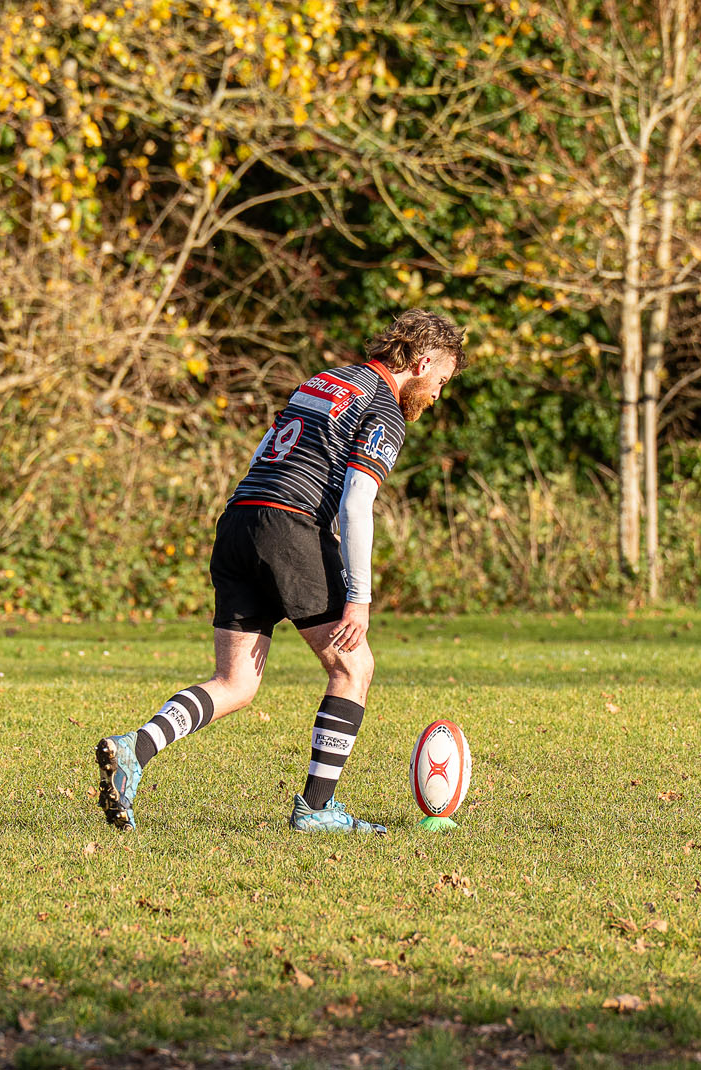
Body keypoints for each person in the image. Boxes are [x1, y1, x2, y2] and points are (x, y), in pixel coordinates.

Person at [93, 311, 467, 834]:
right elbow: (356, 502)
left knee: (236, 682)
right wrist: (359, 598)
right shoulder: (384, 406)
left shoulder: (325, 380)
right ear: (423, 363)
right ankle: (316, 808)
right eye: (441, 381)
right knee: (353, 667)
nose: (437, 395)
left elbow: (264, 450)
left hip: (240, 519)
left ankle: (135, 748)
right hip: (290, 525)